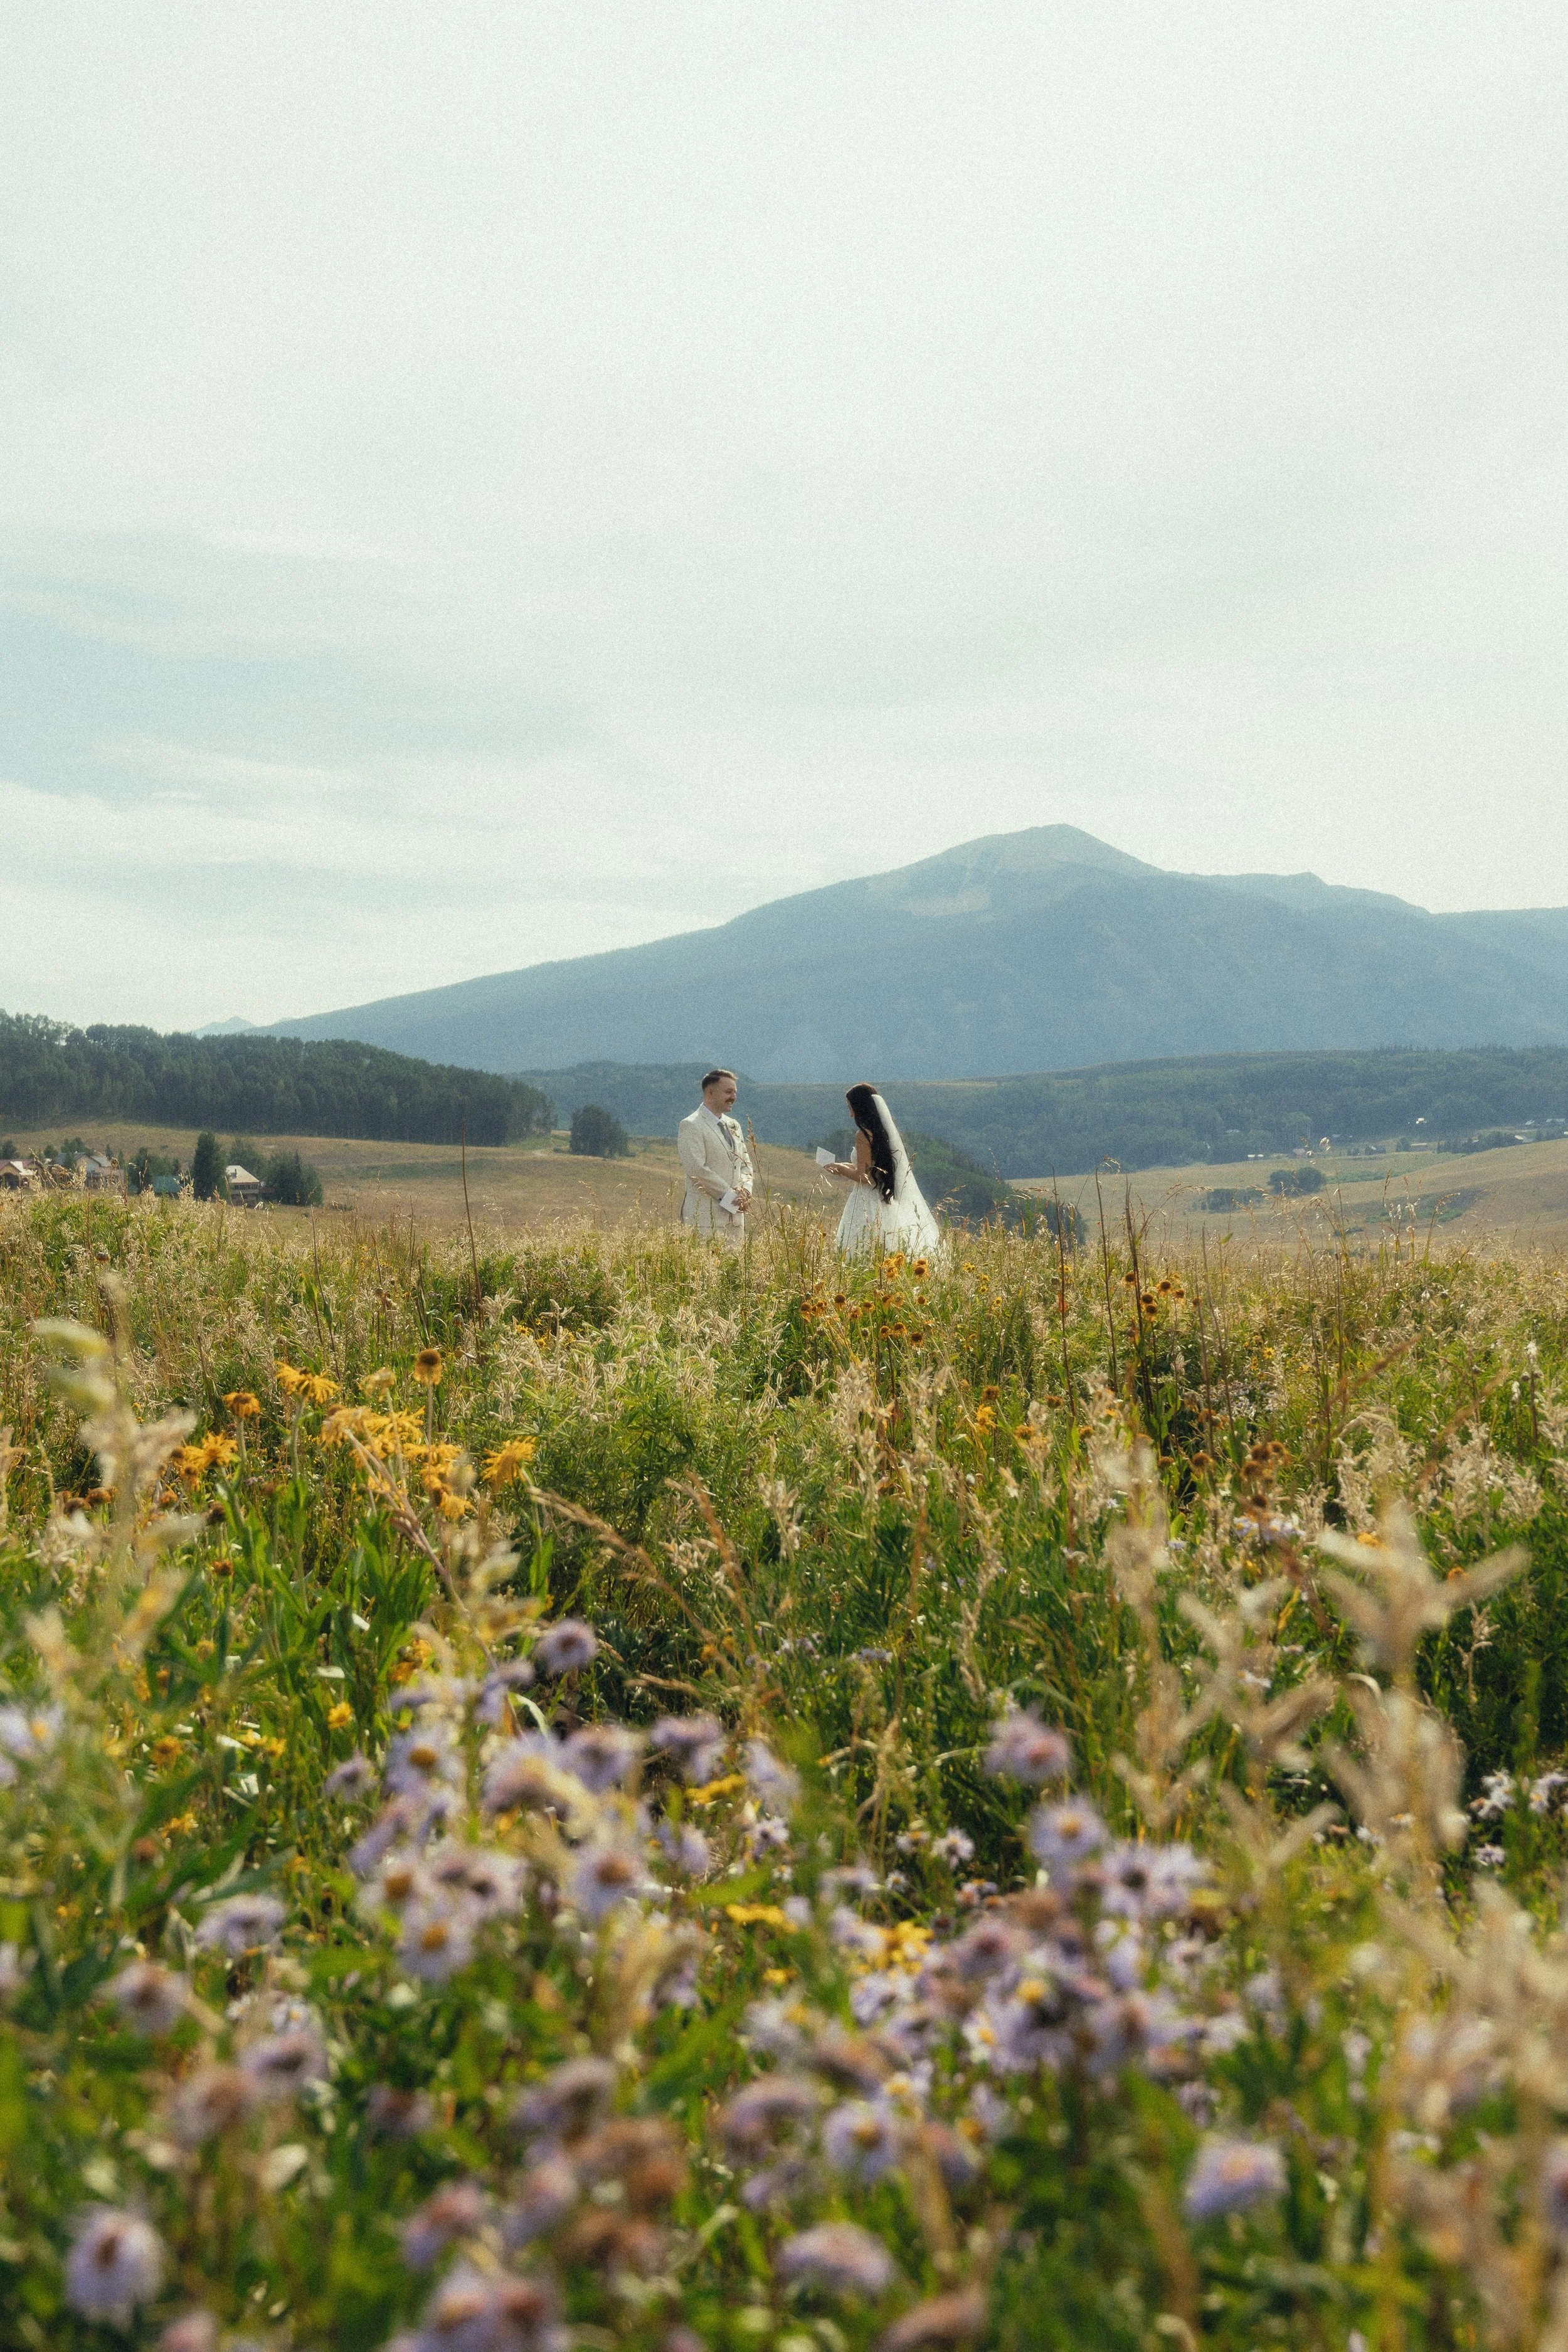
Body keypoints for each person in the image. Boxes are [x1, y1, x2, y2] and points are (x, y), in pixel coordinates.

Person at [823, 1083, 943, 1259]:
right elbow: (870, 1170)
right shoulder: (883, 1132)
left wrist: (840, 1169)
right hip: (882, 1196)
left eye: (851, 1109)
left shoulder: (863, 1135)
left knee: (860, 1249)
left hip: (865, 1200)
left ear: (861, 1108)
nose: (850, 1114)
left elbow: (864, 1177)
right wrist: (842, 1166)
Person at [677, 1067, 755, 1246]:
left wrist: (746, 1190)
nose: (734, 1097)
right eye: (728, 1092)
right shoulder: (691, 1125)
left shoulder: (734, 1125)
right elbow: (696, 1169)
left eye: (735, 1092)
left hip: (735, 1222)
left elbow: (745, 1164)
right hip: (705, 1220)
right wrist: (730, 1198)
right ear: (711, 1092)